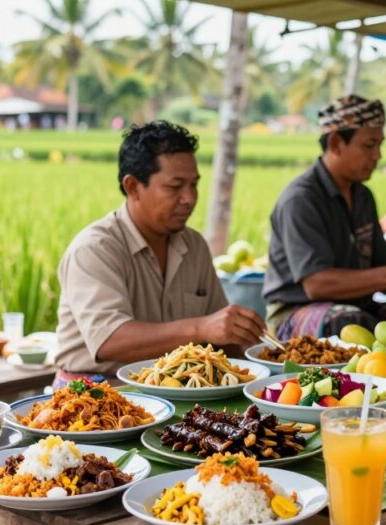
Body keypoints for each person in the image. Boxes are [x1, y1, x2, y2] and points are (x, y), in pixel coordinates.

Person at [54, 122, 264, 385]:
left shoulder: (194, 246)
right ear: (132, 187)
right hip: (94, 395)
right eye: (175, 187)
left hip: (175, 389)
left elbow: (221, 335)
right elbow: (109, 340)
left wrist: (256, 352)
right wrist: (200, 328)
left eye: (194, 185)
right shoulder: (95, 249)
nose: (189, 198)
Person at [263, 95, 386, 339]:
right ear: (336, 143)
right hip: (295, 312)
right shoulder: (301, 200)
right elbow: (317, 285)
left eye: (380, 144)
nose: (377, 155)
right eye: (369, 145)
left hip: (355, 305)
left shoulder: (362, 196)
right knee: (352, 324)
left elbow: (382, 267)